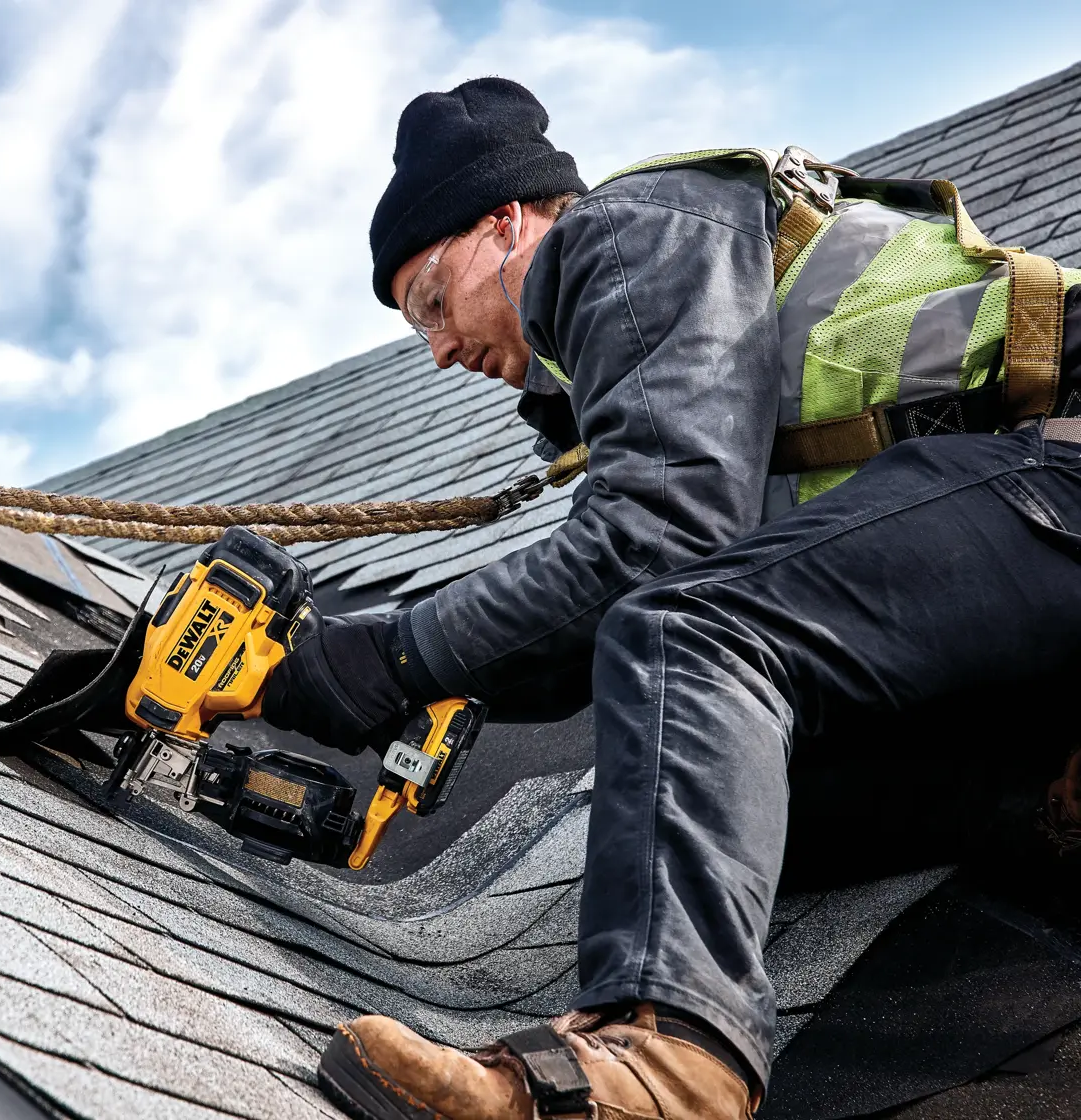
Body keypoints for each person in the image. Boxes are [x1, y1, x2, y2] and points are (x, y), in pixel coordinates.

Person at [256, 78, 1081, 1119]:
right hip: (1029, 560)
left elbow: (660, 548)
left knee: (687, 634)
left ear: (510, 221)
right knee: (744, 795)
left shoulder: (620, 233)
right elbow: (596, 620)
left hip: (1064, 476)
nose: (441, 350)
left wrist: (396, 653)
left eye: (433, 301)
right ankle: (1056, 790)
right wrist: (345, 676)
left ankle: (665, 1061)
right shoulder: (626, 355)